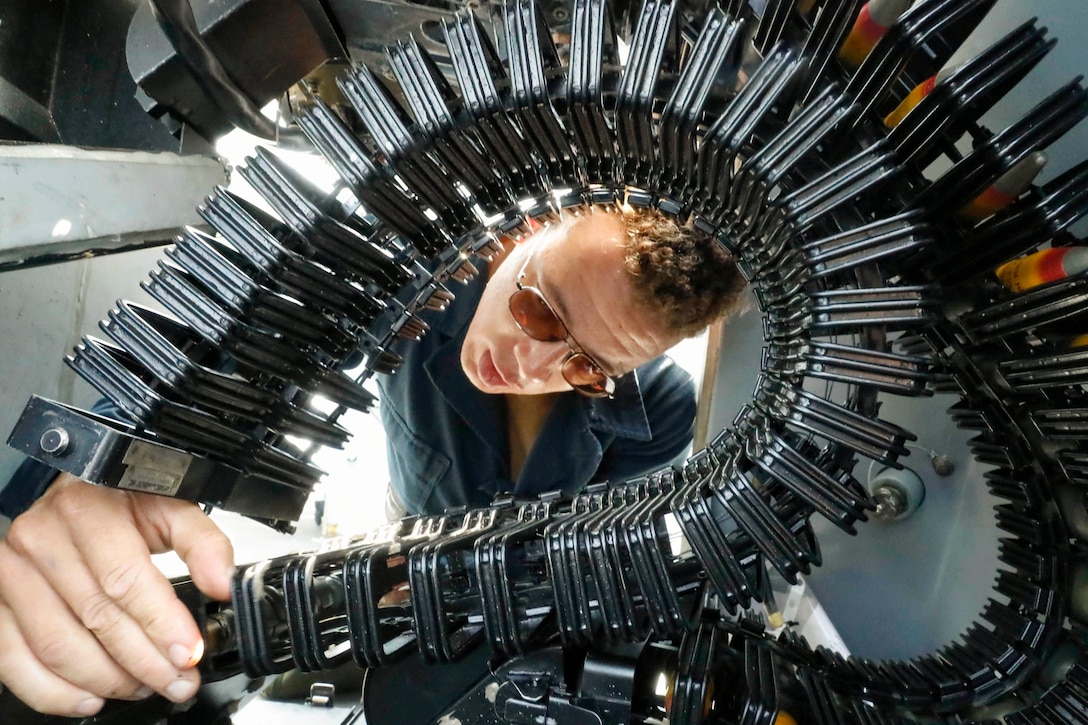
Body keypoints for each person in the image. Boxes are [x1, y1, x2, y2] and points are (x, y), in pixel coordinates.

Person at [0, 203, 745, 717]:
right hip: (402, 533)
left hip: (501, 602)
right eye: (538, 309)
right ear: (530, 230)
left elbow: (585, 553)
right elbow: (255, 336)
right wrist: (105, 466)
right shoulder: (418, 284)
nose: (529, 362)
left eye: (582, 363)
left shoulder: (662, 409)